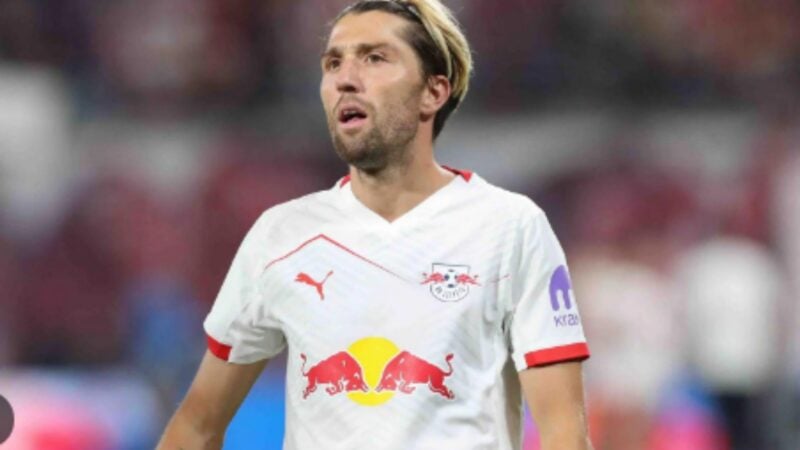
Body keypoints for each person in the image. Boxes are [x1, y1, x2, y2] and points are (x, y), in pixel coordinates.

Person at [158, 1, 592, 449]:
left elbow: (564, 435)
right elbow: (197, 426)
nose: (345, 78)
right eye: (333, 63)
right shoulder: (281, 234)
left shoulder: (510, 228)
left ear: (433, 92)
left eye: (375, 58)